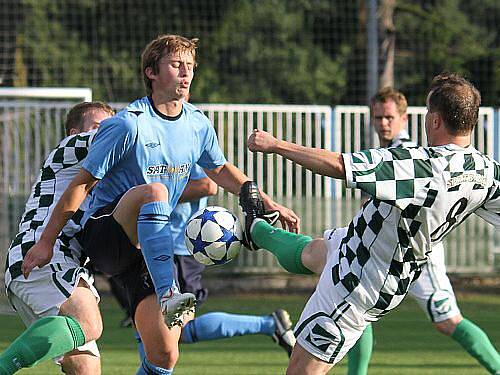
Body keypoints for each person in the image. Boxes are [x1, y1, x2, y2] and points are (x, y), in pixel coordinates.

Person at [21, 34, 299, 374]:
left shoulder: (197, 123)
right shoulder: (127, 124)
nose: (185, 73)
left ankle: (170, 303)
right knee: (155, 192)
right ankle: (170, 292)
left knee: (166, 352)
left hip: (150, 252)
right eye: (176, 65)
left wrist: (270, 203)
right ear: (151, 72)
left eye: (190, 67)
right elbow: (81, 185)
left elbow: (221, 170)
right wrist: (45, 242)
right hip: (108, 234)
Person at [241, 72, 500, 374]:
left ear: (436, 120)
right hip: (364, 249)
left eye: (428, 111)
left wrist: (275, 144)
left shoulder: (419, 166)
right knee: (314, 253)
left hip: (360, 281)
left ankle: (256, 229)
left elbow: (340, 165)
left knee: (300, 371)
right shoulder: (486, 172)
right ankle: (256, 228)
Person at [345, 87, 500, 375]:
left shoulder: (406, 153)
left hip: (417, 253)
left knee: (448, 321)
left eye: (389, 117)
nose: (383, 123)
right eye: (378, 117)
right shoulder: (384, 153)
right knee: (356, 311)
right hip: (388, 252)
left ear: (404, 119)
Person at [133, 164, 297, 359]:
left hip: (180, 246)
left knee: (171, 327)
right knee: (151, 323)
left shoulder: (186, 139)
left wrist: (151, 198)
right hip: (154, 243)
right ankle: (270, 324)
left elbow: (207, 185)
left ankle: (268, 324)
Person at [0, 102, 115, 374]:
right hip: (43, 252)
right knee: (90, 323)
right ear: (74, 132)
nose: (108, 131)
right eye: (100, 126)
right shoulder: (68, 149)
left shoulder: (103, 179)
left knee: (86, 370)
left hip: (59, 265)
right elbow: (116, 137)